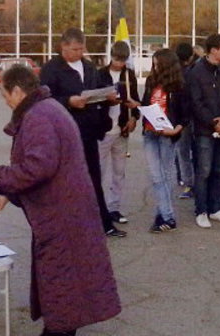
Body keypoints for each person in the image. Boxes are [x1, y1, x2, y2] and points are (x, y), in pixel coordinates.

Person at [0, 65, 121, 336]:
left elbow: (38, 167)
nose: (5, 101)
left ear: (18, 91)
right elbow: (42, 167)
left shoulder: (38, 116)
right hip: (68, 213)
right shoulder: (47, 109)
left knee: (62, 294)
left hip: (62, 219)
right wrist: (8, 195)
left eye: (4, 94)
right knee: (67, 295)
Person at [40, 27, 126, 237]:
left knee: (93, 178)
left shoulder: (89, 67)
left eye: (81, 49)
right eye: (75, 49)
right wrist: (68, 101)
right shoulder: (51, 69)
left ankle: (103, 223)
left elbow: (96, 90)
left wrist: (108, 97)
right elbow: (43, 100)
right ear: (63, 47)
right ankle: (64, 227)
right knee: (65, 181)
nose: (79, 53)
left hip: (88, 131)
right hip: (64, 133)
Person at [188, 34, 220, 228]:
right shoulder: (196, 72)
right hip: (204, 130)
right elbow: (195, 102)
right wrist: (212, 122)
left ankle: (216, 208)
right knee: (204, 170)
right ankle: (201, 210)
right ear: (213, 50)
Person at [140, 48, 188, 233]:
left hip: (168, 134)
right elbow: (145, 103)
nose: (155, 67)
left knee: (165, 175)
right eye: (154, 63)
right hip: (151, 133)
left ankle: (166, 216)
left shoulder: (178, 86)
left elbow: (185, 113)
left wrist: (176, 128)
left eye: (158, 63)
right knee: (156, 176)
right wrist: (140, 109)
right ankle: (166, 215)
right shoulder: (152, 82)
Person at [97, 41, 140, 225]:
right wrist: (107, 101)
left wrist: (134, 117)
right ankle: (98, 208)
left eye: (122, 60)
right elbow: (93, 100)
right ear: (110, 56)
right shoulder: (99, 74)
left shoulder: (129, 75)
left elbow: (136, 100)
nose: (119, 63)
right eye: (116, 59)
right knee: (99, 170)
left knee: (119, 172)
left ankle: (114, 207)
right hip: (103, 130)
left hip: (122, 128)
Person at [174, 42, 195, 199]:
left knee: (182, 151)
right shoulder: (195, 72)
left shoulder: (174, 73)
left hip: (180, 117)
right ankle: (195, 182)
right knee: (196, 151)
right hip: (194, 117)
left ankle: (187, 182)